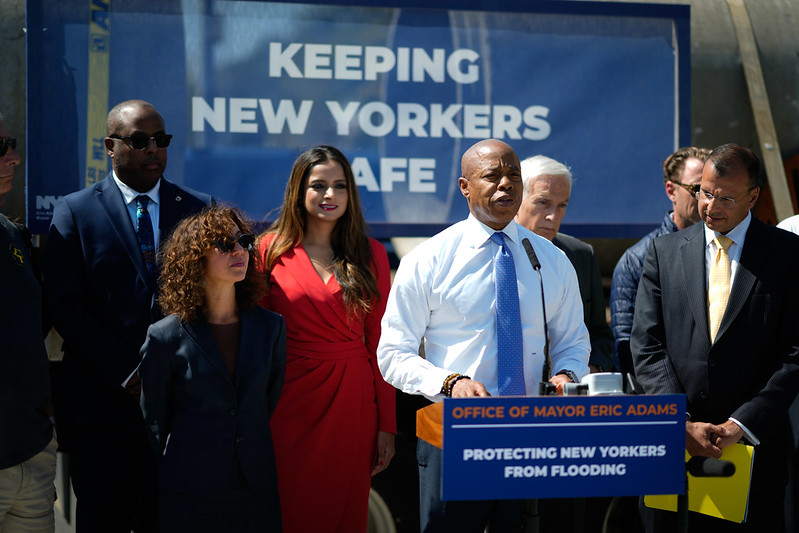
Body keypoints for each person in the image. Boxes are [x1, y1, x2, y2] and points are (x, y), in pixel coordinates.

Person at [377, 139, 590, 532]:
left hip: (530, 436)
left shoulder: (551, 261)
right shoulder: (427, 260)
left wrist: (567, 375)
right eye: (492, 176)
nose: (505, 185)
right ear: (464, 186)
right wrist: (450, 381)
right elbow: (393, 354)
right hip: (454, 436)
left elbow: (572, 342)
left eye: (514, 177)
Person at [45, 99, 212, 532]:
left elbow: (211, 302)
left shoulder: (197, 210)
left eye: (161, 140)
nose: (153, 149)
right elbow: (67, 307)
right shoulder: (75, 212)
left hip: (180, 409)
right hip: (102, 410)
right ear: (110, 146)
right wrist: (129, 371)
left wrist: (174, 372)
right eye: (139, 141)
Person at [631, 144, 799, 531]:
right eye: (705, 193)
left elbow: (794, 352)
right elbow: (647, 345)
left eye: (725, 197)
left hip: (754, 452)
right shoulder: (663, 252)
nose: (711, 206)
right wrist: (680, 421)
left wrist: (740, 424)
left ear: (753, 196)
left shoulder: (788, 256)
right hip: (674, 450)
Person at [258, 145, 396, 533]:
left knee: (343, 512)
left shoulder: (371, 254)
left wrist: (387, 423)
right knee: (289, 511)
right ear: (298, 192)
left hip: (353, 406)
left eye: (339, 185)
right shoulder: (268, 251)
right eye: (318, 185)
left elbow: (380, 343)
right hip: (287, 404)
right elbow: (255, 339)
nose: (330, 195)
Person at [139, 206, 285, 532]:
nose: (239, 251)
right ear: (196, 258)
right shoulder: (164, 336)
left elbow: (266, 401)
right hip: (190, 490)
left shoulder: (271, 327)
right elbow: (155, 420)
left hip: (255, 486)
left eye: (243, 241)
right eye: (224, 244)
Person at [0, 113, 57, 532]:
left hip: (32, 452)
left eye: (12, 144)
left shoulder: (12, 233)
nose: (14, 158)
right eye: (1, 148)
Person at [610, 146, 710, 377]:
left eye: (712, 190)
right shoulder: (637, 260)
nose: (705, 199)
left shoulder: (728, 249)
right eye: (697, 189)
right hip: (664, 399)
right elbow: (627, 347)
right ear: (671, 190)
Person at [516, 154, 613, 373]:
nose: (553, 215)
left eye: (562, 205)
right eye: (543, 203)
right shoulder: (492, 253)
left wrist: (586, 370)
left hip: (566, 395)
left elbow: (598, 332)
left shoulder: (580, 255)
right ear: (517, 199)